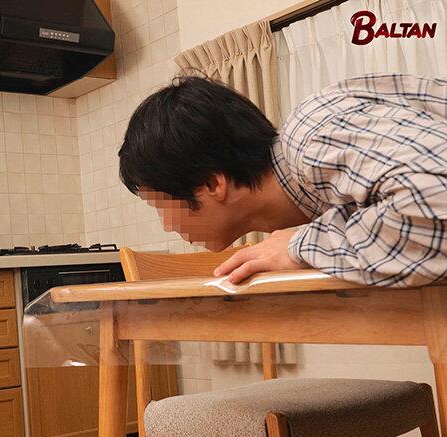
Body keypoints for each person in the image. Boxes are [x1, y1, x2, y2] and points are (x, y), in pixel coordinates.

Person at [118, 73, 447, 287]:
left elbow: (437, 199)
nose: (167, 225)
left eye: (159, 204)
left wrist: (303, 246)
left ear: (212, 185)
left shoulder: (313, 136)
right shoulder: (312, 177)